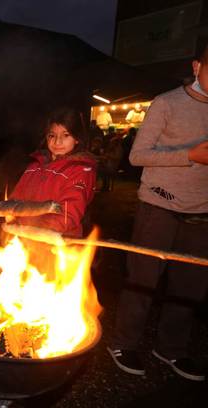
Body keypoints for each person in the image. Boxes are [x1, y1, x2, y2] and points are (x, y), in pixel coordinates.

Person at [107, 41, 208, 382]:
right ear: (197, 67)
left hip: (202, 214)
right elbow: (137, 156)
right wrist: (189, 155)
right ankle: (123, 343)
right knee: (143, 280)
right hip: (159, 206)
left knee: (190, 286)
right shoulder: (167, 103)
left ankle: (172, 348)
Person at [9, 107, 97, 238]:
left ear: (77, 138)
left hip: (59, 244)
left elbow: (68, 215)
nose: (57, 141)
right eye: (52, 135)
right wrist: (9, 215)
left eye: (66, 135)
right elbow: (15, 200)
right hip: (27, 239)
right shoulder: (34, 166)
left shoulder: (81, 170)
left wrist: (34, 226)